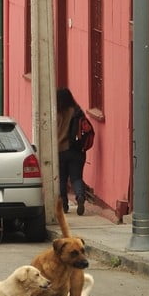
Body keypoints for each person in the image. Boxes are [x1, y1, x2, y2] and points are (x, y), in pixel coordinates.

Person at [56, 87, 87, 216]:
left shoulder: (55, 113)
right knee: (76, 177)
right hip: (76, 150)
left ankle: (64, 204)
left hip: (60, 150)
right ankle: (80, 196)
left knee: (61, 179)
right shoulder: (77, 111)